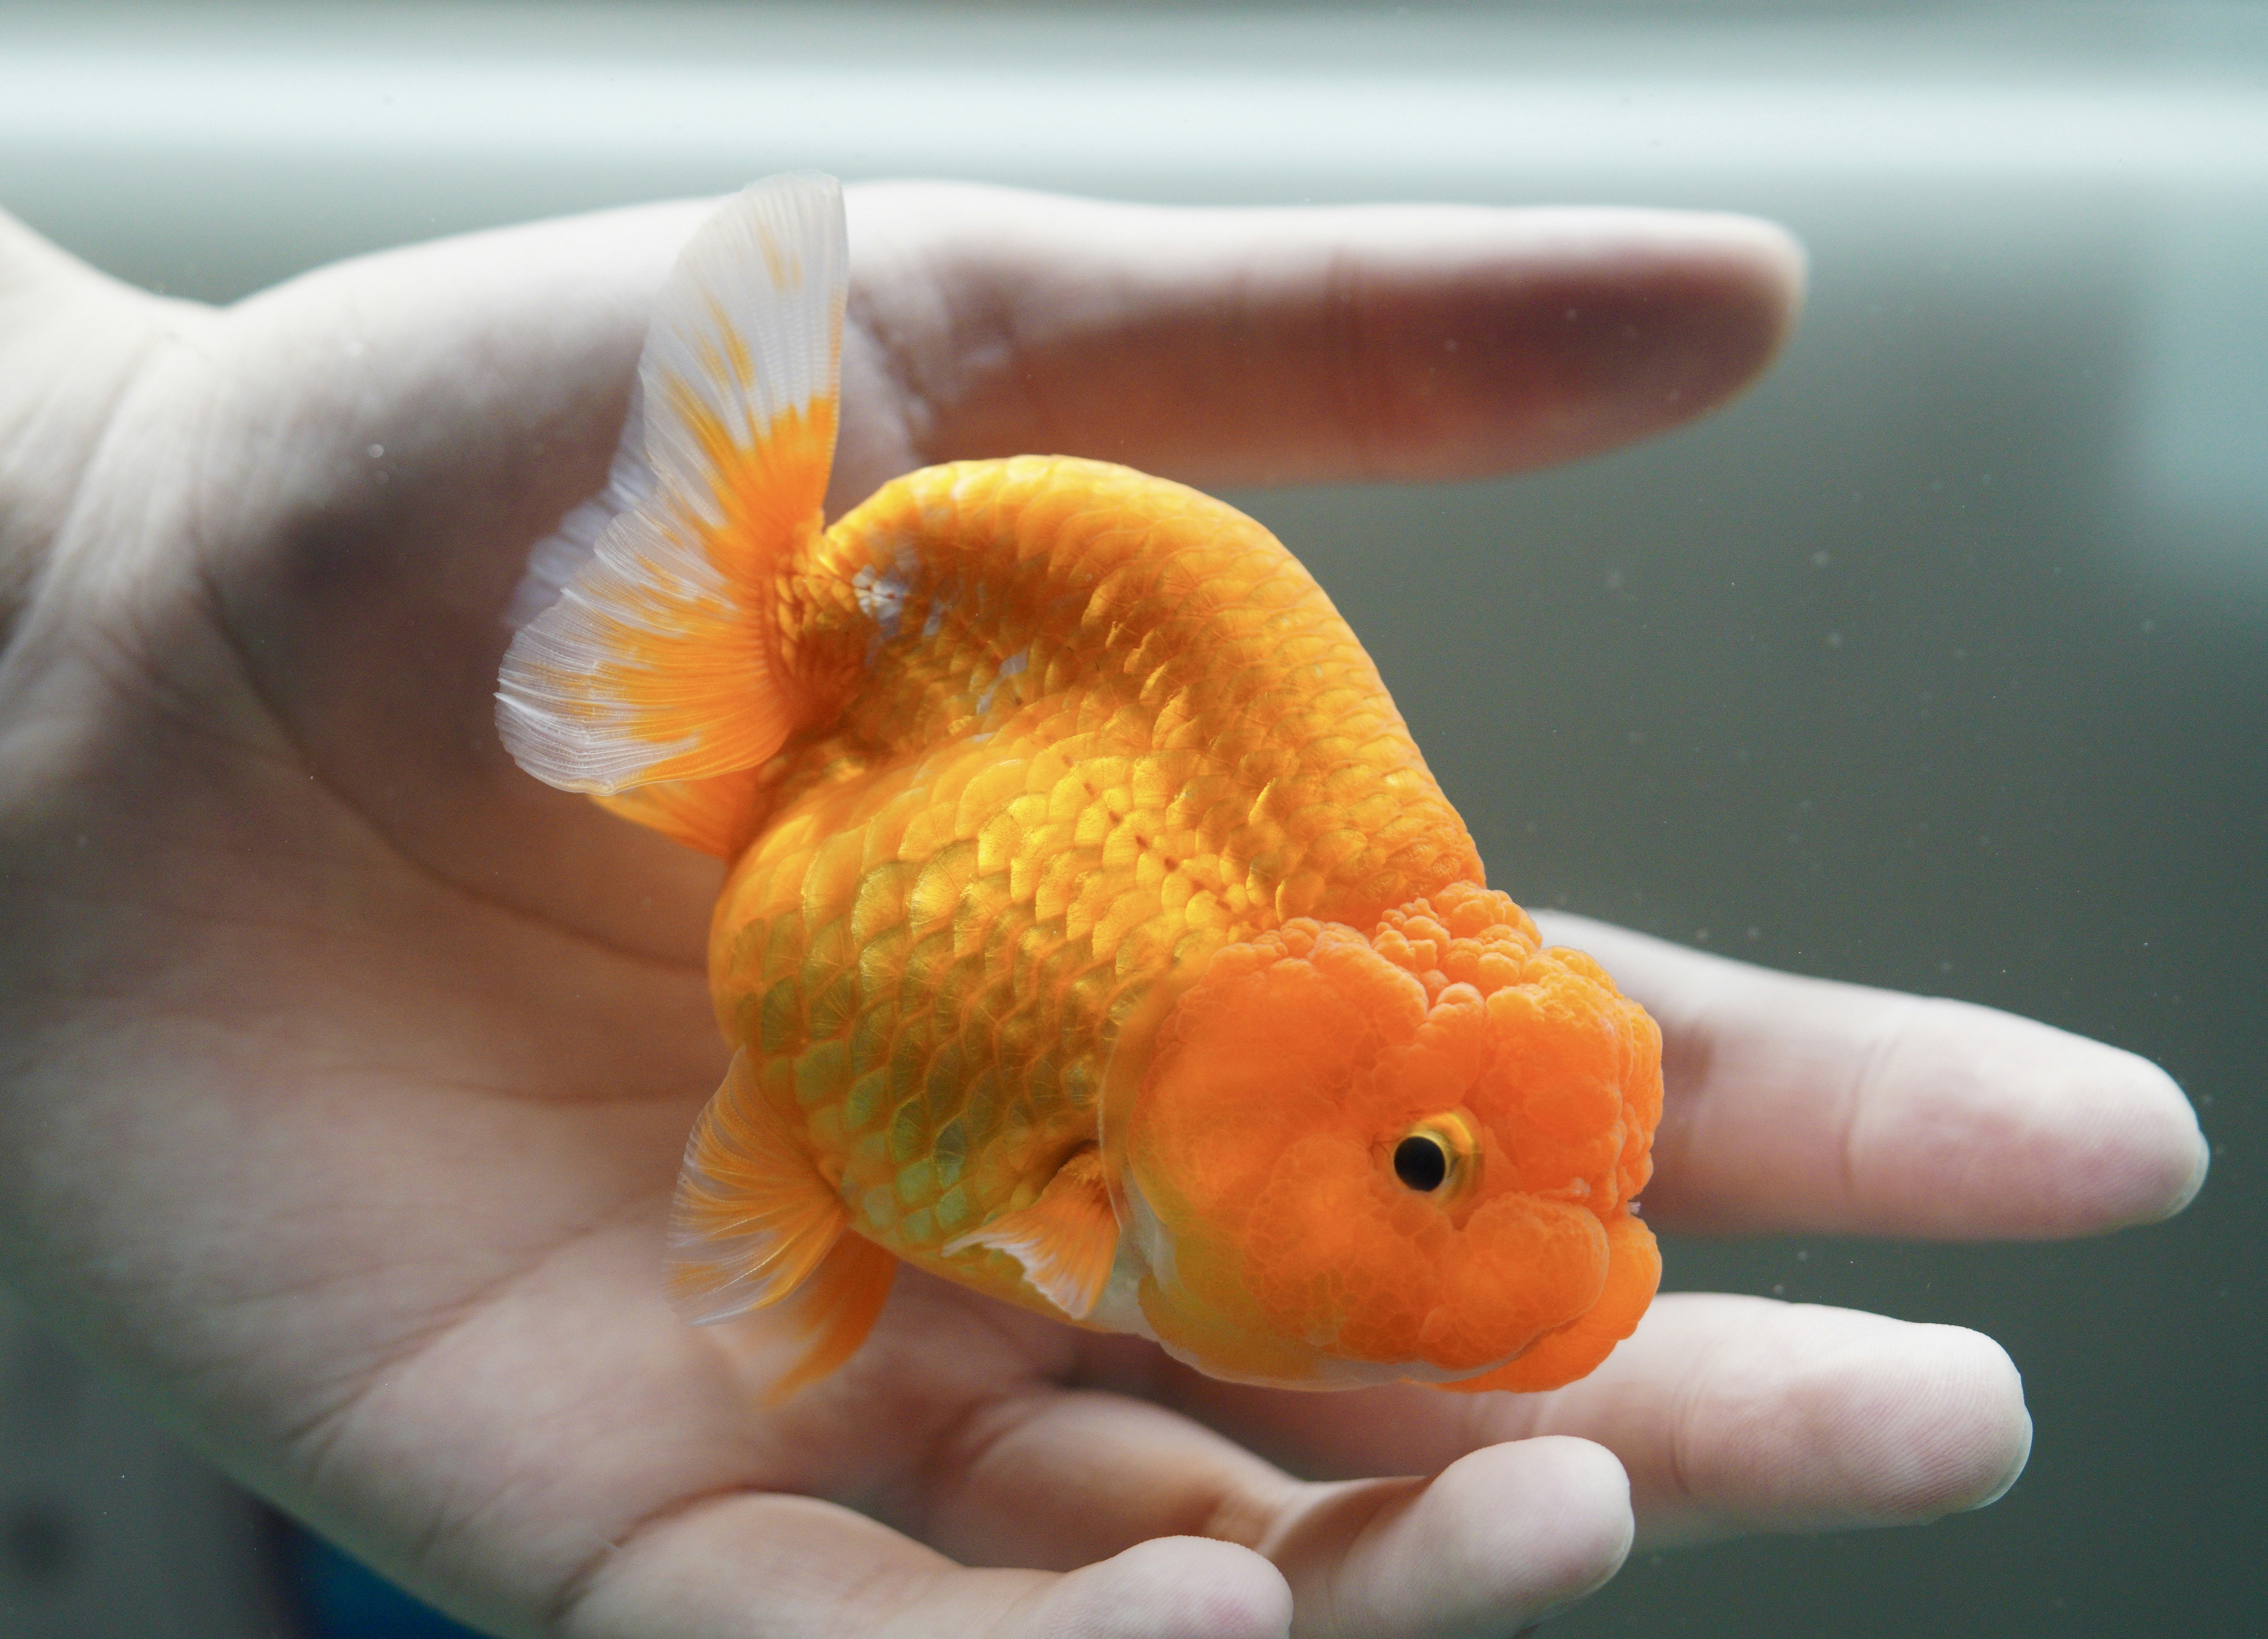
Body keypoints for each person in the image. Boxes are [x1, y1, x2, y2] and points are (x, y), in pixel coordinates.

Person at [0, 183, 2207, 1639]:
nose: (1569, 1259)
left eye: (1579, 1179)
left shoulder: (1271, 1024)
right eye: (1430, 1170)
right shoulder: (1071, 1134)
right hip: (849, 790)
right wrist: (92, 546)